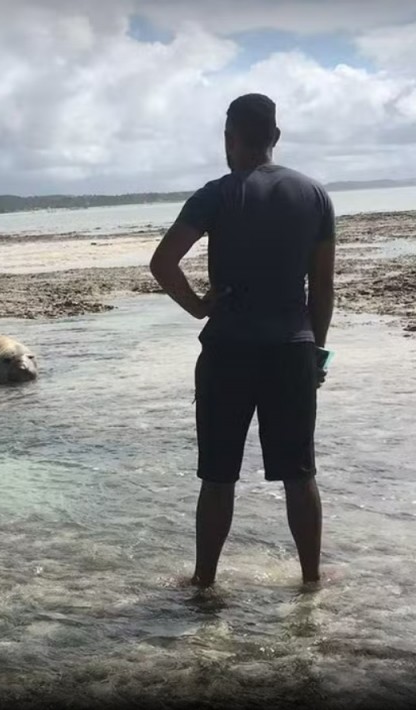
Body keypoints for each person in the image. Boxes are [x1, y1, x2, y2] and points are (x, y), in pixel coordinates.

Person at [148, 93, 336, 589]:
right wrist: (316, 353)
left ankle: (204, 584)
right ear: (275, 136)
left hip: (228, 350)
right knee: (300, 475)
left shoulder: (217, 193)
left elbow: (163, 263)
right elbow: (322, 288)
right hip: (292, 350)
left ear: (229, 138)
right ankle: (311, 582)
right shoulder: (315, 195)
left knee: (218, 477)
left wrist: (199, 306)